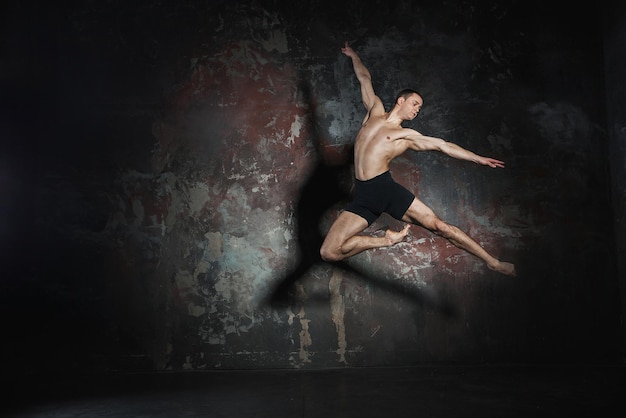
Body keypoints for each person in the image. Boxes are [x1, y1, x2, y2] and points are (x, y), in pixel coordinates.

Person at [319, 42, 516, 276]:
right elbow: (364, 78)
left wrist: (477, 158)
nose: (417, 110)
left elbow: (442, 145)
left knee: (440, 227)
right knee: (329, 252)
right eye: (415, 104)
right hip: (364, 196)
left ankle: (493, 262)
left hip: (386, 190)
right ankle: (387, 240)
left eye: (420, 108)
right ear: (401, 101)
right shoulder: (375, 109)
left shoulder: (406, 136)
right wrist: (354, 56)